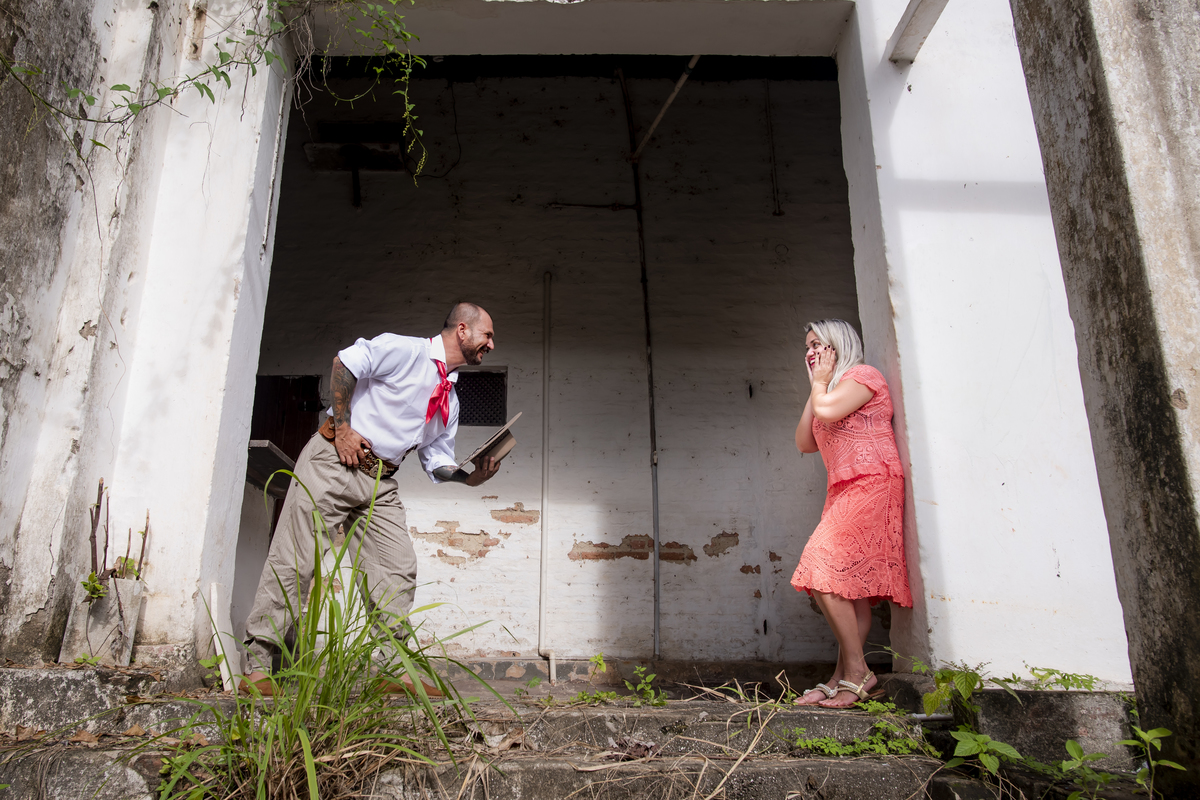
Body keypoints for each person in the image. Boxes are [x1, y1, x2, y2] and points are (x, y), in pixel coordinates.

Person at [240, 302, 501, 696]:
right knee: (296, 560)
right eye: (488, 335)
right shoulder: (405, 350)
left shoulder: (450, 400)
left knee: (398, 567)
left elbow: (437, 460)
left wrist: (470, 478)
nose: (491, 345)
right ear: (463, 330)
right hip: (334, 459)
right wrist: (343, 429)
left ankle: (393, 671)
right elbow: (345, 363)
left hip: (382, 480)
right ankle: (258, 665)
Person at [791, 319, 912, 708]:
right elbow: (804, 441)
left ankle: (860, 673)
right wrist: (818, 381)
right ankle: (842, 677)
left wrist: (820, 382)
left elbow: (824, 411)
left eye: (819, 346)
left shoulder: (863, 376)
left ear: (838, 345)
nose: (811, 353)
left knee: (821, 568)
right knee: (848, 589)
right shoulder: (828, 388)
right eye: (807, 347)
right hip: (843, 489)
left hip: (872, 483)